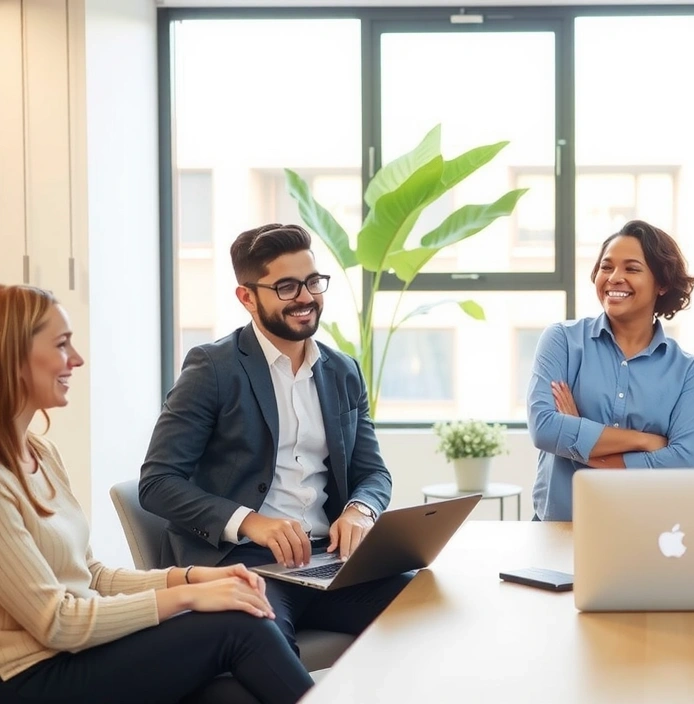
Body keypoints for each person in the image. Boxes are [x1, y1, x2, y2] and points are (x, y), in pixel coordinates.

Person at [0, 284, 313, 704]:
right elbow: (57, 622)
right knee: (240, 626)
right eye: (61, 345)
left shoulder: (41, 452)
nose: (76, 359)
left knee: (231, 692)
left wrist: (191, 575)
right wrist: (188, 597)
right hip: (33, 676)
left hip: (73, 654)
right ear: (14, 356)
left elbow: (91, 576)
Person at [139, 223, 411, 656]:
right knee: (264, 640)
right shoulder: (213, 369)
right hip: (244, 562)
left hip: (328, 562)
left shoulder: (343, 371)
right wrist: (251, 521)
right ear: (247, 297)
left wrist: (361, 510)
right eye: (286, 286)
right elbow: (157, 483)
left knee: (429, 607)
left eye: (312, 282)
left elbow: (372, 472)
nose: (305, 297)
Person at [528, 219, 694, 521]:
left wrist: (579, 435)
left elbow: (680, 462)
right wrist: (644, 441)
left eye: (632, 268)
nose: (614, 278)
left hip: (645, 530)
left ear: (662, 283)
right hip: (560, 526)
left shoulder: (688, 371)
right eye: (606, 267)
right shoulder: (561, 340)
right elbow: (545, 428)